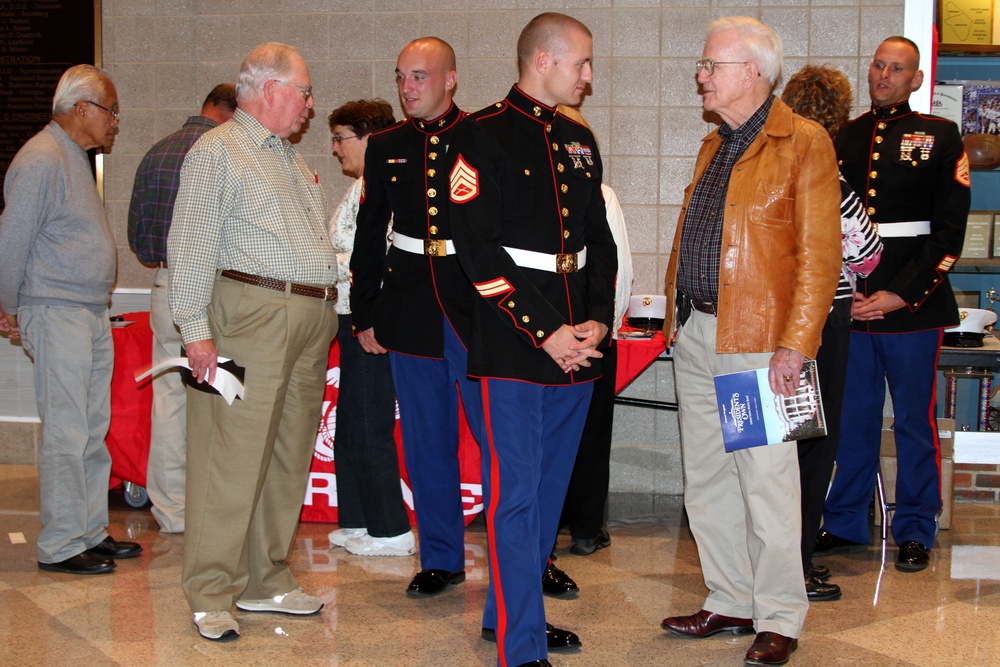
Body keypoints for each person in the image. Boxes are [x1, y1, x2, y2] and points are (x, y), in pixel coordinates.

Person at [658, 17, 841, 667]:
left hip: (758, 340)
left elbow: (822, 258)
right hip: (701, 330)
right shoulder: (717, 144)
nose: (701, 74)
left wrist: (797, 345)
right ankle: (730, 596)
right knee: (707, 477)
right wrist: (675, 313)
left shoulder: (804, 142)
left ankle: (780, 614)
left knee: (766, 481)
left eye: (711, 64)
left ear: (753, 74)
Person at [448, 13, 618, 667]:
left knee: (547, 495)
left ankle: (508, 613)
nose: (589, 76)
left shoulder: (578, 137)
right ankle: (520, 648)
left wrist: (598, 318)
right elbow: (478, 251)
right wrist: (546, 330)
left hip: (579, 341)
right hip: (518, 343)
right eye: (582, 64)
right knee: (515, 494)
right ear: (544, 59)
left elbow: (596, 241)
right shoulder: (480, 136)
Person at [167, 42, 337, 642]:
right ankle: (211, 590)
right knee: (230, 460)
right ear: (270, 90)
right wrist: (196, 333)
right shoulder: (217, 152)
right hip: (251, 319)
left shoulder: (289, 160)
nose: (311, 105)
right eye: (305, 92)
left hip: (310, 318)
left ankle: (265, 579)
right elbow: (189, 247)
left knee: (288, 459)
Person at [815, 36, 970, 573]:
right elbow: (827, 223)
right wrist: (849, 292)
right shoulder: (843, 138)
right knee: (851, 419)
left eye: (896, 68)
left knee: (913, 422)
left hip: (913, 306)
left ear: (916, 79)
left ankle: (915, 527)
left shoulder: (941, 135)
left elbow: (949, 232)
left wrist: (901, 293)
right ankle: (844, 521)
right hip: (852, 304)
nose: (884, 75)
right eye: (879, 65)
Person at [349, 37, 486, 597]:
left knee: (503, 442)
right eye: (402, 77)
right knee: (427, 442)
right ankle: (442, 557)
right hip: (411, 310)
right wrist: (365, 313)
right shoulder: (386, 145)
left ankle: (526, 555)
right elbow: (369, 231)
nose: (408, 89)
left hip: (477, 308)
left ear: (450, 79)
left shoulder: (484, 136)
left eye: (420, 77)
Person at [0, 64, 142, 575]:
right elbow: (11, 240)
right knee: (66, 431)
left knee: (90, 428)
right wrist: (11, 306)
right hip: (55, 308)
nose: (115, 122)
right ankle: (60, 544)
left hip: (85, 311)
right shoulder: (41, 158)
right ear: (82, 110)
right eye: (111, 111)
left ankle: (87, 530)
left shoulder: (73, 157)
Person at [780, 65, 884, 601]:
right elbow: (866, 256)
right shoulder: (831, 179)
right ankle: (794, 570)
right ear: (837, 120)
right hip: (822, 322)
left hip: (770, 320)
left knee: (769, 448)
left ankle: (758, 566)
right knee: (813, 447)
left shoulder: (767, 168)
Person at [127, 83, 238, 534]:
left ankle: (172, 512)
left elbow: (138, 239)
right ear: (229, 112)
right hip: (215, 286)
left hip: (166, 281)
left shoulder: (156, 152)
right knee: (219, 395)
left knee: (169, 400)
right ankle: (213, 508)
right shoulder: (225, 152)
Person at [325, 98, 415, 557]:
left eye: (341, 138)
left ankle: (391, 529)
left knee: (369, 420)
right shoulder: (359, 186)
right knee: (350, 424)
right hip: (347, 313)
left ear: (370, 138)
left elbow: (376, 257)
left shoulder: (386, 186)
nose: (336, 148)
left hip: (371, 317)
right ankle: (358, 519)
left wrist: (315, 260)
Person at [554, 105, 633, 557]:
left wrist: (604, 329)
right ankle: (579, 525)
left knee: (586, 433)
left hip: (591, 333)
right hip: (568, 336)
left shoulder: (602, 193)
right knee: (577, 435)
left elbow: (615, 265)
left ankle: (583, 524)